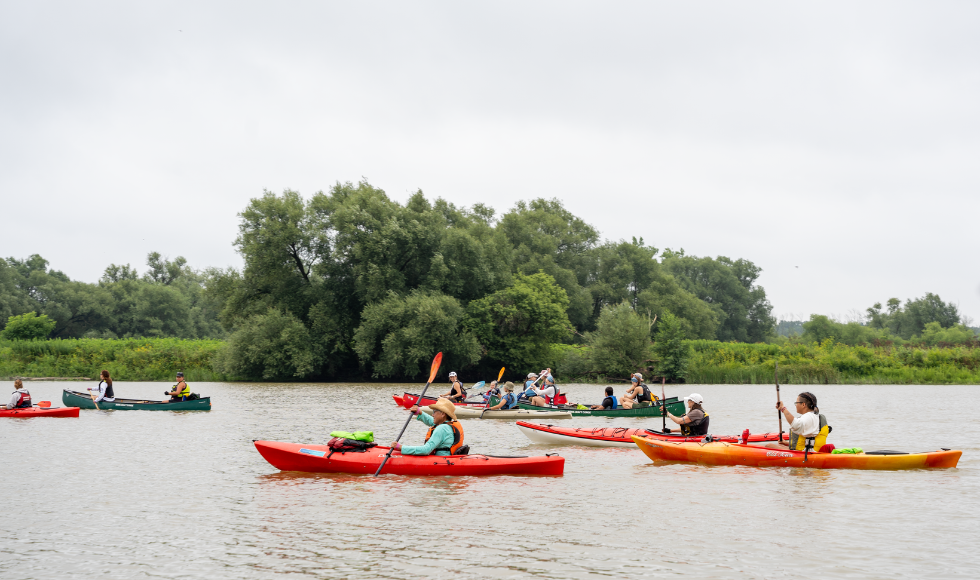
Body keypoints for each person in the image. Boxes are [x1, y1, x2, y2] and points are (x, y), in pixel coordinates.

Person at [390, 398, 465, 456]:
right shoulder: (447, 425)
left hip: (441, 461)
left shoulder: (441, 429)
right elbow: (432, 422)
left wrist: (401, 447)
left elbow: (426, 450)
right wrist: (419, 412)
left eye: (434, 412)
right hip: (446, 458)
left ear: (442, 414)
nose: (433, 415)